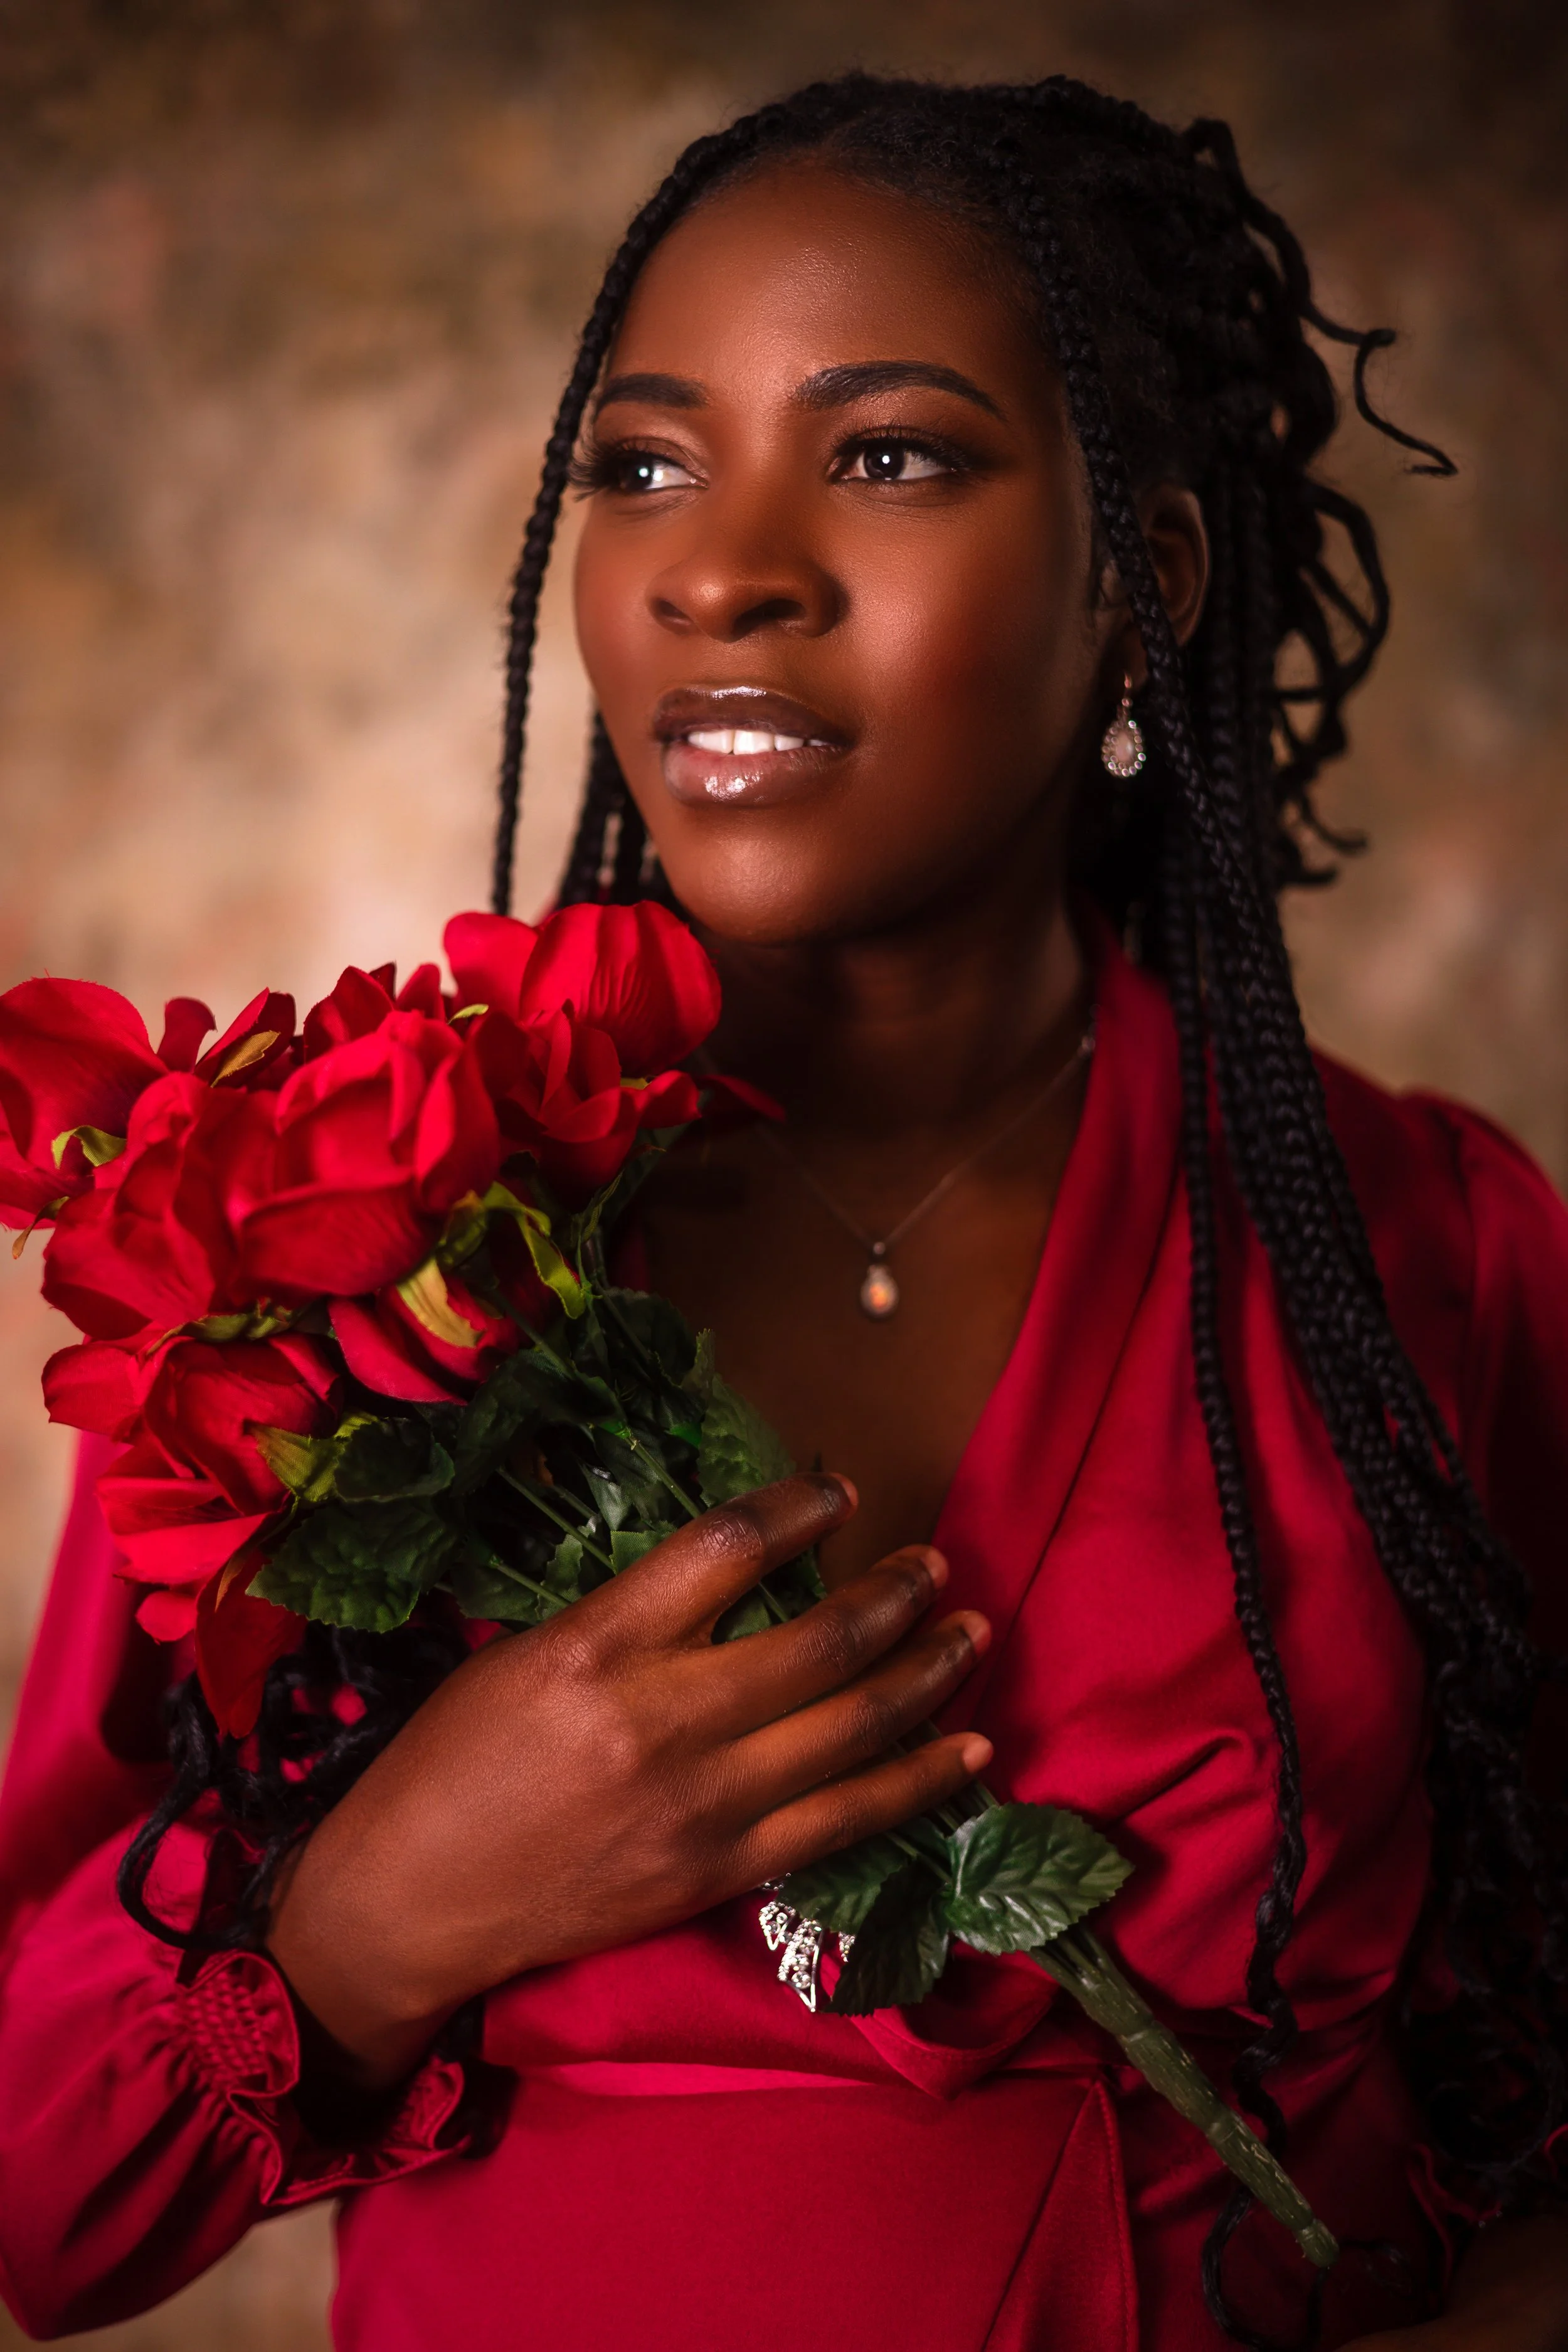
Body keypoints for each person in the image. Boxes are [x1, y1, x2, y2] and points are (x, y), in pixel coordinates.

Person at [0, 71, 1564, 2352]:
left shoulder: (1424, 1246)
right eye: (642, 461)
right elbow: (36, 2204)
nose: (720, 562)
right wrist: (368, 1922)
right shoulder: (346, 1264)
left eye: (889, 454)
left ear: (1148, 579)